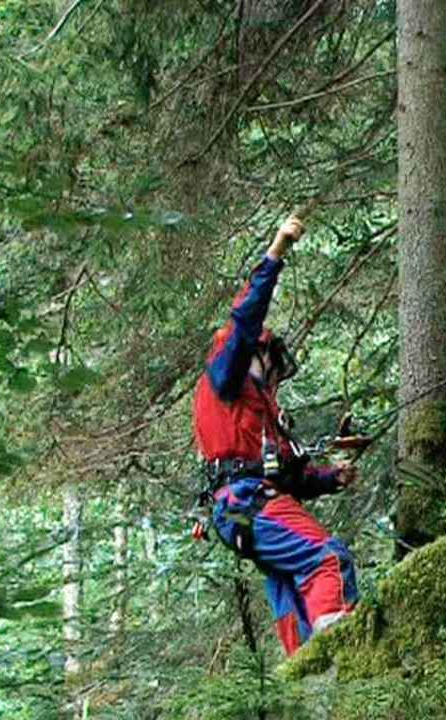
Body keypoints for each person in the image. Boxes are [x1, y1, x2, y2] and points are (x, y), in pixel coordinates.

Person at [192, 216, 359, 656]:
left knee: (290, 591)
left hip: (242, 512)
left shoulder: (260, 414)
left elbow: (288, 476)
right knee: (328, 559)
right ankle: (342, 659)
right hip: (246, 503)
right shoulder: (226, 377)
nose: (276, 380)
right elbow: (246, 321)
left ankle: (304, 674)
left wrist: (329, 479)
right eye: (274, 368)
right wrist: (277, 251)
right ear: (258, 355)